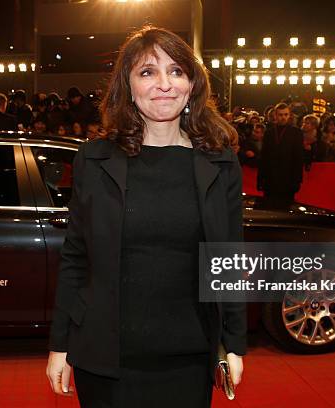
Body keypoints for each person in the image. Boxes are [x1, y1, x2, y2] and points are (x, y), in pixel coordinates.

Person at [46, 25, 246, 408]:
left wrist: (233, 344)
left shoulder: (220, 163)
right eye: (147, 72)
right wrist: (60, 343)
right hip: (106, 358)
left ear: (192, 84)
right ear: (129, 86)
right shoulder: (94, 159)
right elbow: (75, 258)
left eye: (176, 71)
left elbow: (229, 259)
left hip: (188, 358)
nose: (164, 84)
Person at [257, 102, 304, 207]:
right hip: (270, 179)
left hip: (288, 179)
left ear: (289, 115)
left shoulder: (296, 133)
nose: (283, 117)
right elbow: (264, 156)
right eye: (280, 115)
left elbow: (298, 158)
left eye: (286, 114)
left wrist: (297, 180)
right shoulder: (269, 133)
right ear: (275, 115)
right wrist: (260, 179)